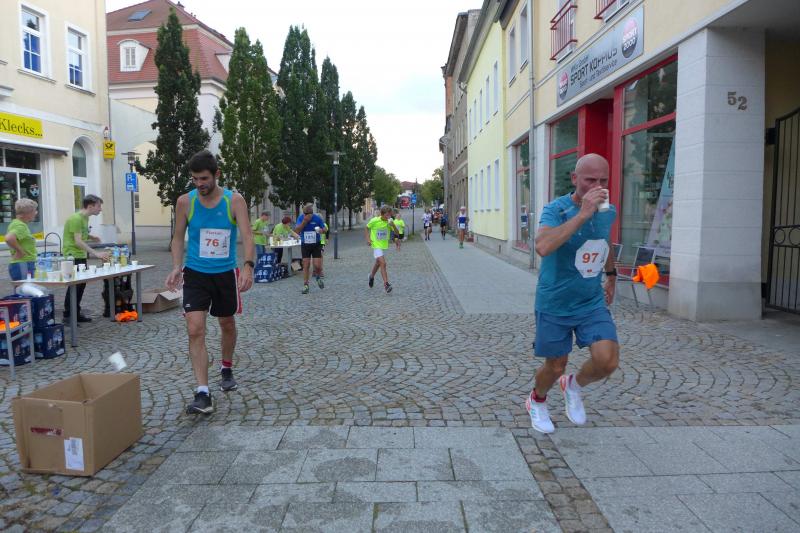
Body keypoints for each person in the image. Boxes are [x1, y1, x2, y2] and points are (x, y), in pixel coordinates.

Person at [526, 153, 619, 434]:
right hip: (555, 301)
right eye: (590, 180)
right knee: (555, 366)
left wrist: (611, 275)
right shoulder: (556, 210)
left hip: (590, 301)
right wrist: (582, 215)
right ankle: (537, 400)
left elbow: (604, 241)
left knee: (607, 360)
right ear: (574, 178)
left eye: (603, 180)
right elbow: (543, 246)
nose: (598, 186)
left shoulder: (608, 211)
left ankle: (573, 385)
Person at [166, 150, 255, 415]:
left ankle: (226, 367)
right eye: (194, 179)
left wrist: (248, 266)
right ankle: (203, 392)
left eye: (204, 178)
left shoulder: (234, 200)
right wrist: (176, 266)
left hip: (225, 274)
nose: (199, 184)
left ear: (217, 174)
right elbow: (177, 237)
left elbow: (248, 235)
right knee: (195, 329)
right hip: (195, 274)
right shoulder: (185, 202)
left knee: (227, 323)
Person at [62, 195, 111, 322]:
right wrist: (96, 253)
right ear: (90, 206)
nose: (100, 209)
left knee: (81, 284)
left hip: (80, 255)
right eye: (98, 206)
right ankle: (68, 315)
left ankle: (75, 313)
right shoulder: (76, 218)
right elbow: (77, 241)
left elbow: (80, 234)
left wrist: (91, 237)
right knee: (74, 285)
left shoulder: (84, 218)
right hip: (72, 256)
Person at [295, 203, 326, 294]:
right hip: (305, 244)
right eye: (305, 214)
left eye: (308, 214)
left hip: (316, 244)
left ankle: (318, 277)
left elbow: (325, 229)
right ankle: (306, 285)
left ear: (312, 213)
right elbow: (297, 231)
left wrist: (322, 230)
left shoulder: (317, 218)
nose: (306, 216)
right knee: (306, 264)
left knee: (317, 266)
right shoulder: (301, 218)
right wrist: (304, 222)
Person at [5, 198, 39, 281]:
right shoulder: (20, 226)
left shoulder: (16, 223)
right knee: (25, 288)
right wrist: (20, 251)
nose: (36, 213)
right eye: (34, 211)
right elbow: (9, 238)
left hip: (22, 263)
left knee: (24, 288)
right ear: (28, 213)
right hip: (23, 263)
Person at [366, 205, 397, 293]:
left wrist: (393, 225)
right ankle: (386, 284)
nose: (389, 217)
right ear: (382, 214)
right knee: (383, 263)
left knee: (378, 263)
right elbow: (367, 228)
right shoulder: (374, 220)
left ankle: (371, 276)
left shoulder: (389, 222)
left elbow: (397, 233)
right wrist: (368, 239)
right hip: (376, 245)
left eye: (390, 215)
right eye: (387, 215)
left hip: (383, 245)